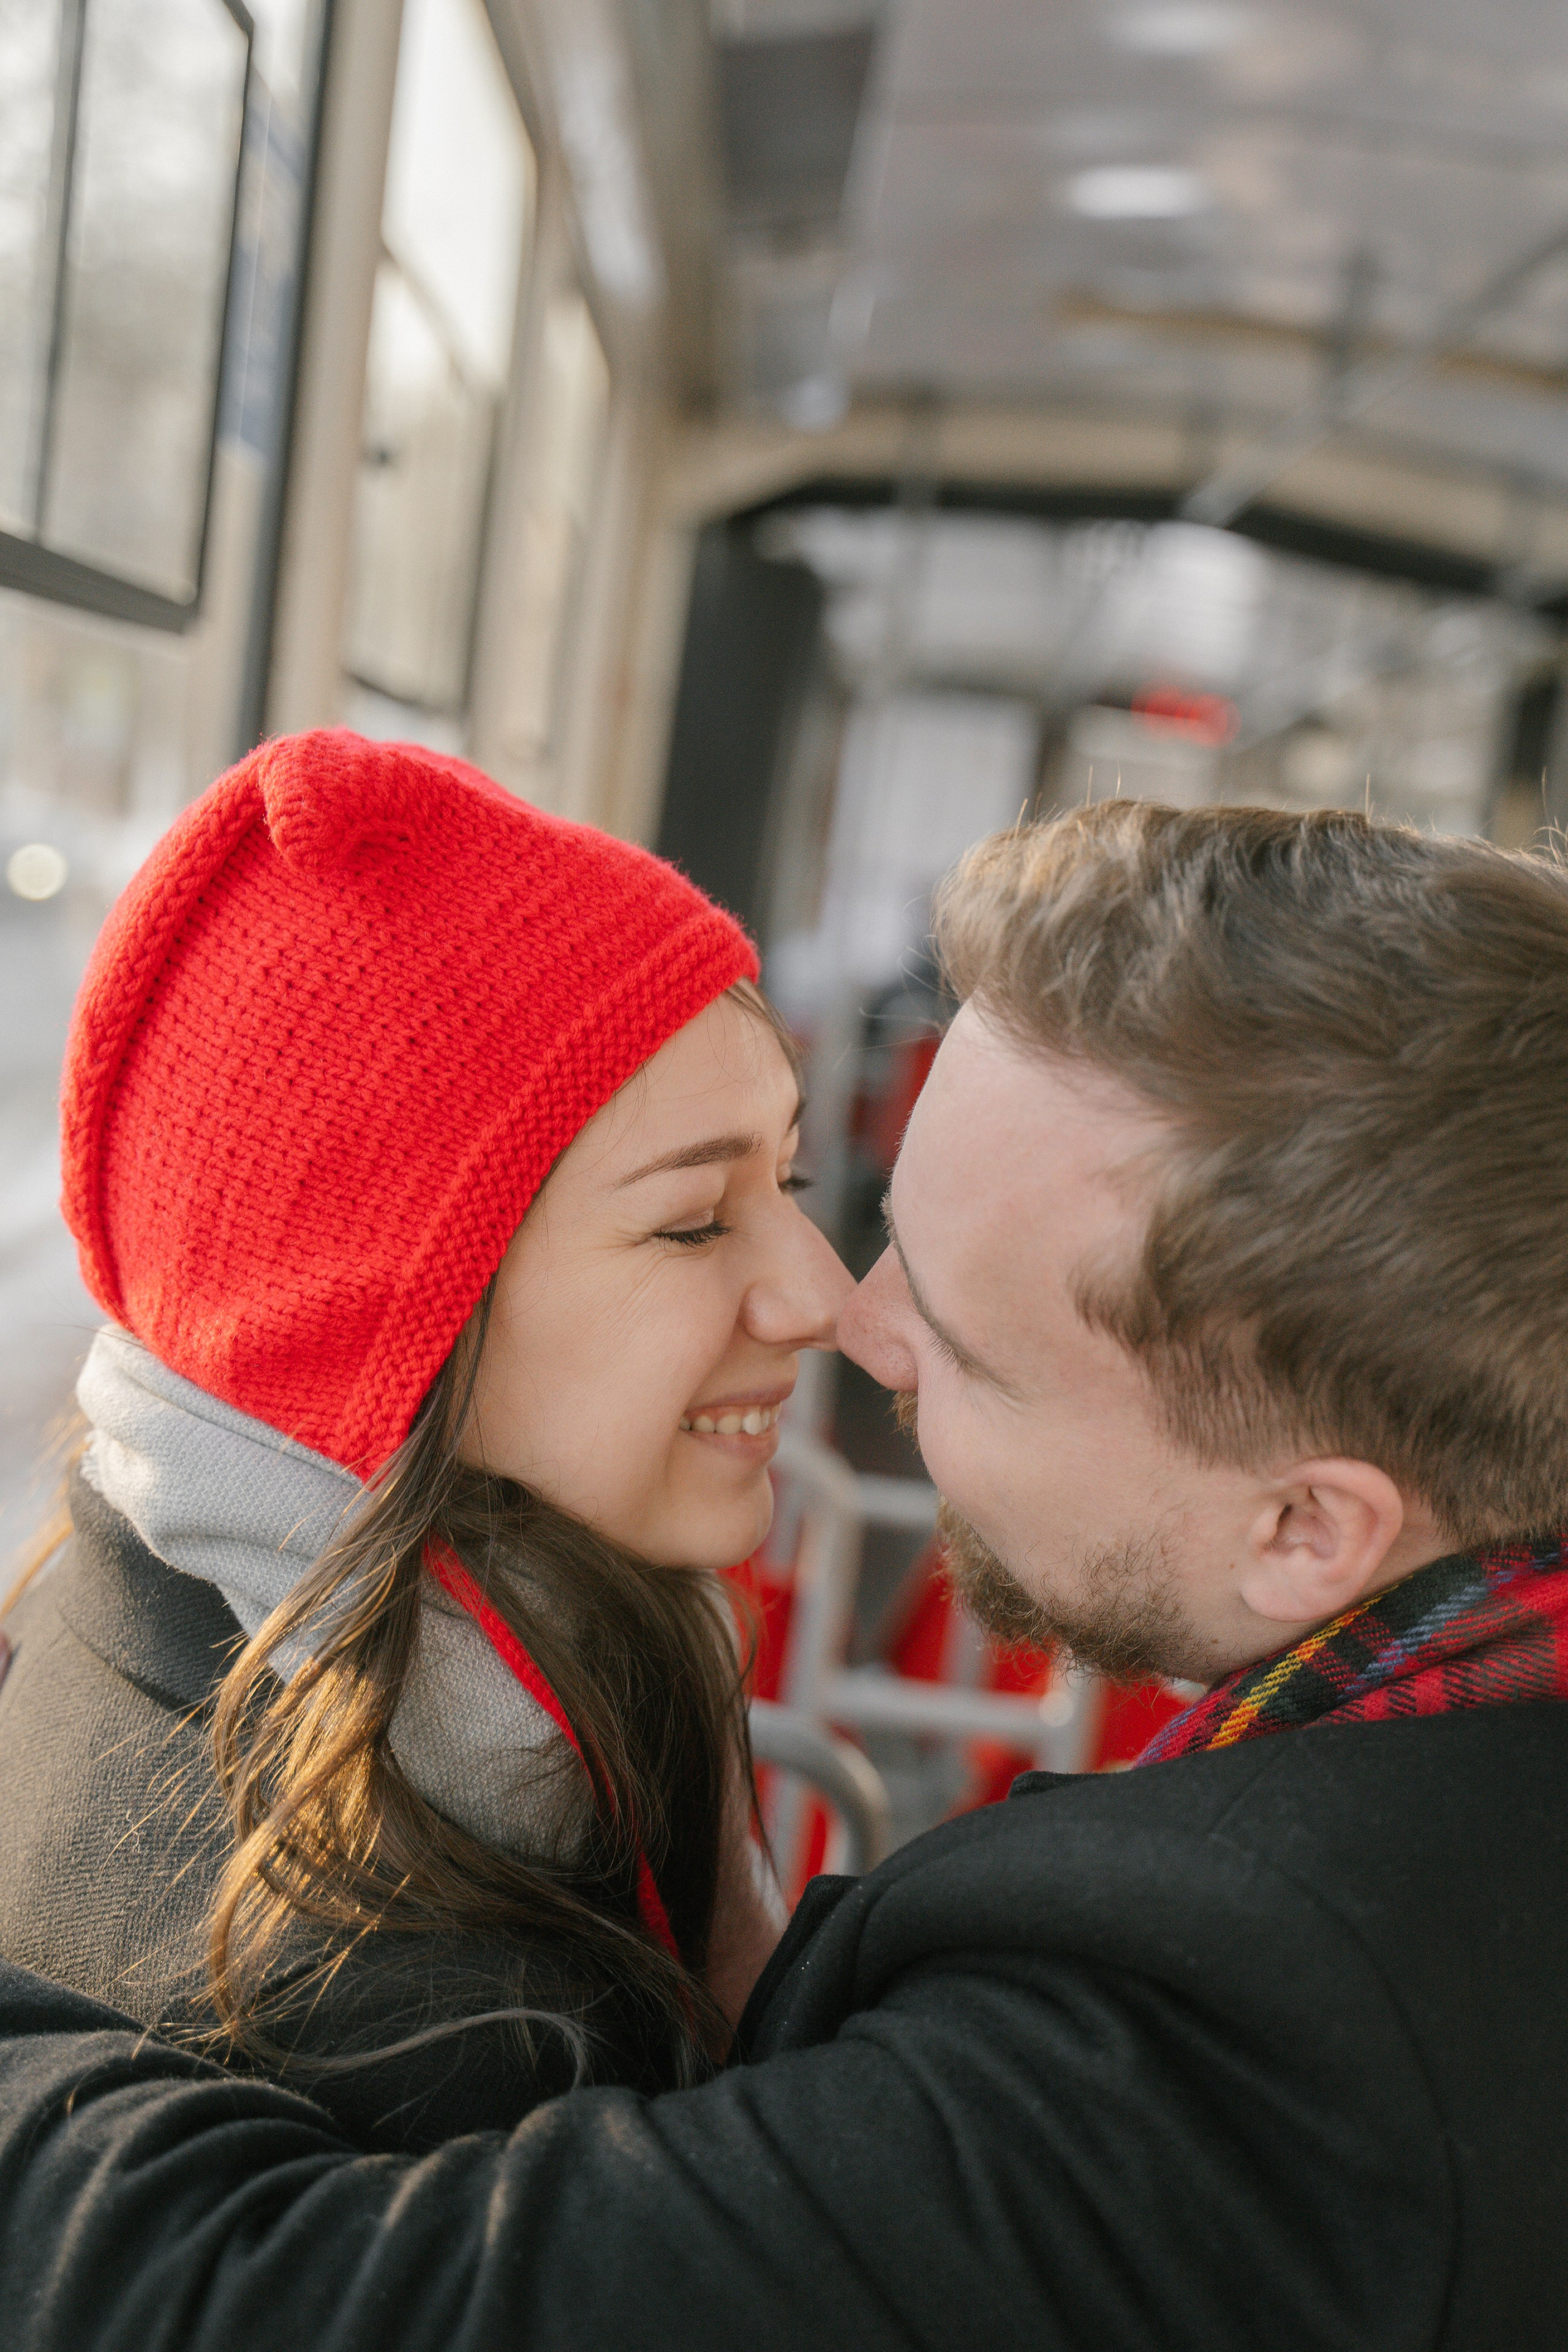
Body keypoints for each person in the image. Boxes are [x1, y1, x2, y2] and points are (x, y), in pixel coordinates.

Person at [2, 797, 1567, 2351]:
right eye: (702, 1218)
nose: (844, 1312)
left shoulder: (1266, 2023)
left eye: (967, 1344)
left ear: (1307, 1529)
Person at [0, 726, 848, 2149]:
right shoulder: (413, 2026)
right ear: (391, 1314)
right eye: (695, 1219)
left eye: (793, 1174)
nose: (823, 1293)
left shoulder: (155, 1599)